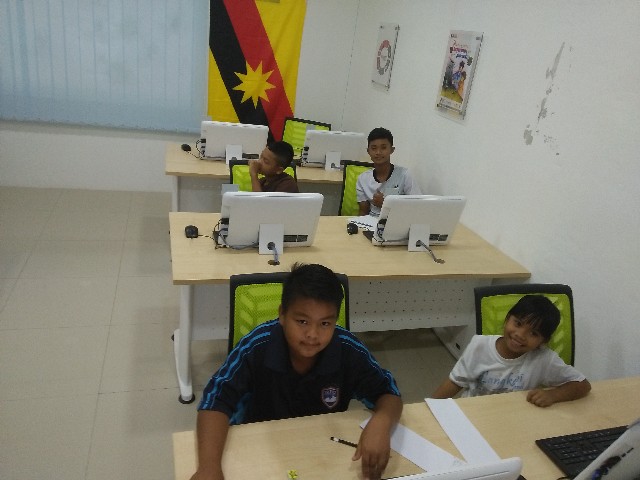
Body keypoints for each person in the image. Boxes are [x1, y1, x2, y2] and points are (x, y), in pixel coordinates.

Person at [191, 263, 403, 480]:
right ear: (282, 314)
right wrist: (208, 467)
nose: (312, 334)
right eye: (302, 321)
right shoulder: (256, 346)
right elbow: (215, 400)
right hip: (260, 448)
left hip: (322, 450)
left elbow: (388, 392)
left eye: (325, 323)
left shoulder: (348, 349)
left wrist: (382, 422)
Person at [431, 295, 591, 407]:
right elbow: (455, 382)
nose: (520, 335)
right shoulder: (480, 345)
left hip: (513, 418)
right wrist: (428, 408)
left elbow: (582, 384)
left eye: (533, 333)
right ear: (507, 319)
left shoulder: (543, 359)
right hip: (473, 412)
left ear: (543, 341)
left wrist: (553, 395)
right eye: (518, 323)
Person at [356, 127, 421, 216]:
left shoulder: (405, 175)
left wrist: (386, 204)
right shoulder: (363, 179)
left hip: (396, 221)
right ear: (368, 151)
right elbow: (363, 211)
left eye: (383, 148)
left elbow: (417, 207)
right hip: (371, 222)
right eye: (374, 148)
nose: (378, 152)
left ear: (392, 150)